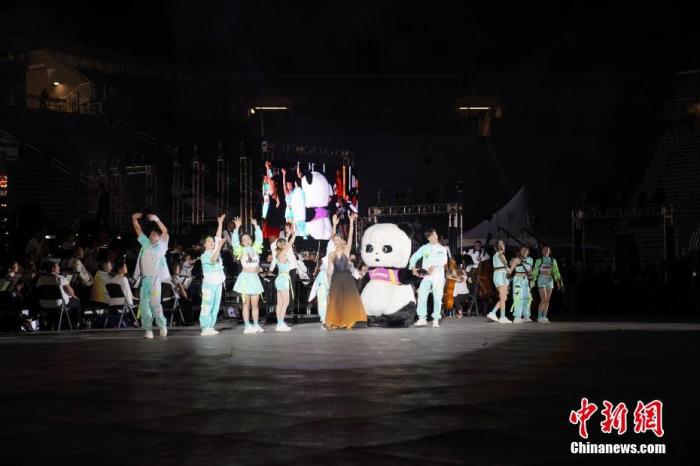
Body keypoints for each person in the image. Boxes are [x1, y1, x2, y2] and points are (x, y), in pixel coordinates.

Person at [324, 213, 366, 330]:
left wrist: (351, 222)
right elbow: (329, 270)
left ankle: (348, 321)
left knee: (348, 300)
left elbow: (351, 235)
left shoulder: (346, 251)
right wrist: (328, 279)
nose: (336, 242)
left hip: (347, 278)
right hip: (336, 278)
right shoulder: (331, 254)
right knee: (334, 300)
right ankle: (332, 322)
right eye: (334, 240)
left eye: (338, 240)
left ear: (342, 241)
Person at [132, 212, 170, 339]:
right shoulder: (146, 244)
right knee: (144, 304)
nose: (151, 236)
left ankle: (162, 325)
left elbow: (165, 231)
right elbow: (138, 230)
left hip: (155, 279)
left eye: (154, 234)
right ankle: (148, 329)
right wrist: (134, 219)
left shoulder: (162, 245)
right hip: (145, 279)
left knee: (155, 304)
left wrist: (157, 220)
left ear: (158, 237)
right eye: (150, 234)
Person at [231, 217, 265, 334]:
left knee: (255, 305)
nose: (246, 240)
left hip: (255, 279)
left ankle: (256, 324)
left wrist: (256, 226)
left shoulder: (255, 248)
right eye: (244, 239)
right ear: (242, 242)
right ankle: (247, 326)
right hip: (245, 279)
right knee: (246, 304)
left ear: (251, 240)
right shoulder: (240, 250)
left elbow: (259, 239)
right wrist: (236, 228)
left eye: (248, 238)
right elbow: (234, 243)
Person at [409, 228, 449, 328]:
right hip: (427, 276)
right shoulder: (424, 248)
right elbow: (414, 257)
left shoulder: (442, 249)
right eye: (433, 235)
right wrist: (412, 267)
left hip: (438, 277)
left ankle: (436, 319)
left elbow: (444, 261)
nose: (436, 237)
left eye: (436, 235)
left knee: (437, 298)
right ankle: (422, 318)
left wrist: (434, 266)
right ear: (429, 238)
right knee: (421, 295)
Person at [199, 214, 227, 336]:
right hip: (209, 284)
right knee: (207, 305)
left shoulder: (215, 250)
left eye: (212, 241)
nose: (212, 242)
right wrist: (219, 247)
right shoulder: (204, 255)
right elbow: (213, 259)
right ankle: (205, 327)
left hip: (218, 282)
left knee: (215, 306)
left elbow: (218, 237)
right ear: (204, 245)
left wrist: (220, 223)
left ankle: (211, 326)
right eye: (209, 241)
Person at [37, 261, 81, 328]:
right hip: (58, 303)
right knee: (77, 302)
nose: (59, 267)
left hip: (43, 303)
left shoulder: (40, 279)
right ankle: (75, 324)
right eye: (57, 266)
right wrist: (74, 295)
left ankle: (50, 325)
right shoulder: (60, 278)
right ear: (53, 268)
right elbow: (70, 292)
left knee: (51, 304)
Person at [486, 240, 519, 323]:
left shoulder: (495, 255)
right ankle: (502, 317)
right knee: (503, 298)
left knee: (503, 298)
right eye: (502, 245)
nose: (504, 246)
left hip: (497, 276)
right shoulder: (501, 254)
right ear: (500, 247)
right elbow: (508, 269)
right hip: (501, 276)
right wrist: (513, 265)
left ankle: (493, 313)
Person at [272, 224, 297, 332]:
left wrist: (289, 235)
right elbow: (290, 243)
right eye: (285, 244)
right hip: (283, 279)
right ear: (283, 246)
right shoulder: (283, 253)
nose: (287, 245)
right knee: (285, 302)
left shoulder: (278, 254)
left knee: (280, 304)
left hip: (279, 279)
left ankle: (279, 323)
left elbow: (287, 242)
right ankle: (281, 323)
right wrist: (294, 234)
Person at [531, 245, 563, 323]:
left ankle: (544, 317)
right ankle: (539, 317)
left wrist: (558, 282)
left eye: (547, 249)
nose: (545, 251)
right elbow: (535, 271)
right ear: (542, 252)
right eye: (544, 250)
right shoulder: (539, 260)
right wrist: (532, 281)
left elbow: (556, 271)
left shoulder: (553, 260)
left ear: (549, 251)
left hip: (550, 280)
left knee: (547, 300)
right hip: (541, 279)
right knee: (543, 299)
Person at [511, 245, 534, 323]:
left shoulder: (530, 260)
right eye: (522, 250)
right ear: (520, 252)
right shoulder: (516, 259)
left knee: (527, 298)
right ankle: (517, 317)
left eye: (525, 250)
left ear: (528, 251)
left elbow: (530, 271)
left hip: (526, 280)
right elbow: (510, 270)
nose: (524, 252)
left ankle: (526, 316)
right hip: (518, 279)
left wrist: (532, 280)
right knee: (518, 298)